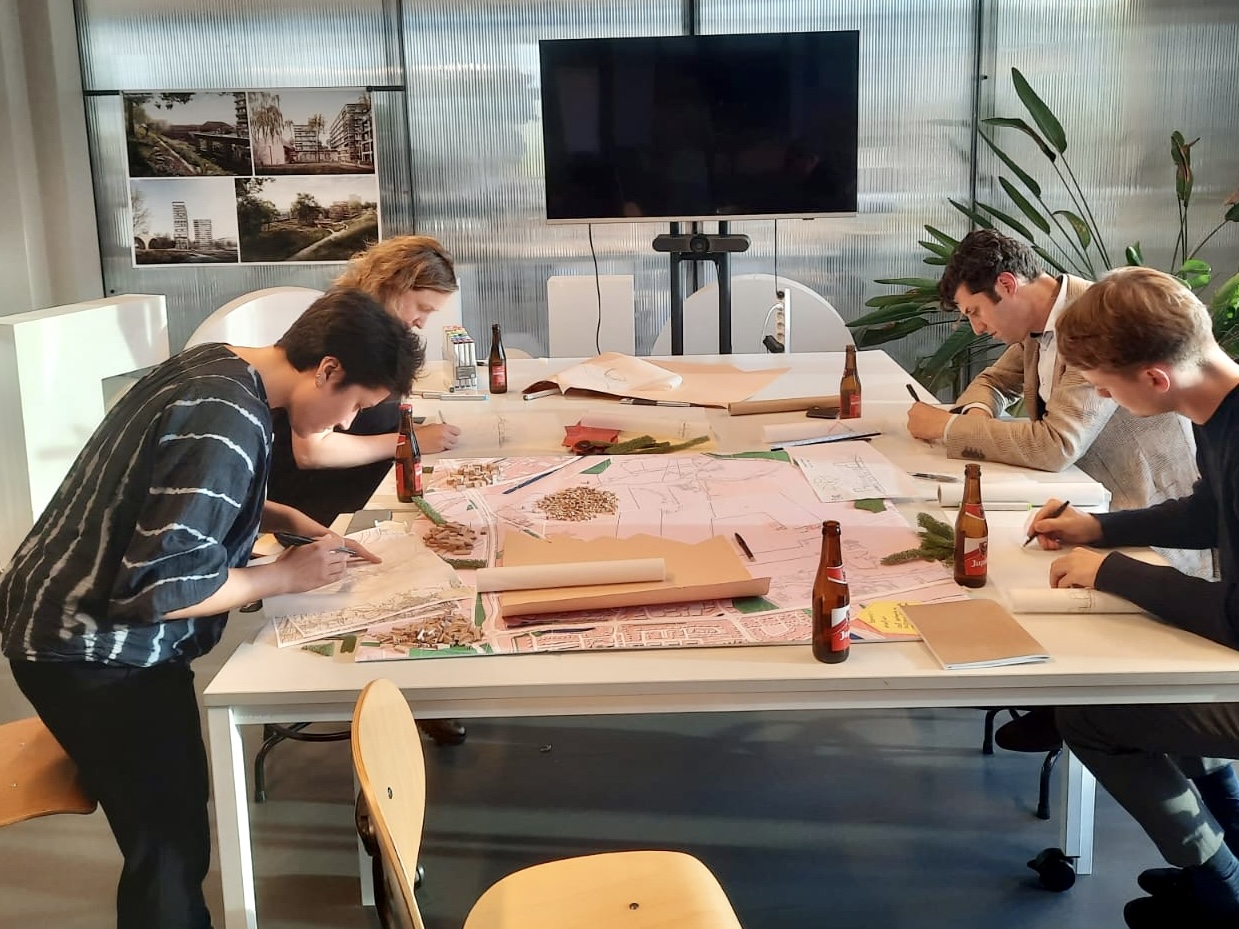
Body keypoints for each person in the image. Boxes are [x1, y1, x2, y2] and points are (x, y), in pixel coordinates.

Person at [0, 289, 421, 929]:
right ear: (328, 369)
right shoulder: (225, 416)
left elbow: (169, 491)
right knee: (170, 845)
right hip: (90, 648)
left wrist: (281, 516)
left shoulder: (219, 367)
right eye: (356, 405)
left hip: (63, 615)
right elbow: (165, 589)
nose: (345, 424)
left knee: (168, 825)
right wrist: (282, 575)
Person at [908, 230, 1210, 753]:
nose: (976, 327)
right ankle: (1055, 701)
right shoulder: (1036, 324)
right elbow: (992, 381)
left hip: (1149, 502)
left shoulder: (1094, 325)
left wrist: (949, 427)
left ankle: (1075, 706)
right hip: (1095, 498)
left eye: (976, 311)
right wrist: (974, 410)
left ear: (1008, 285)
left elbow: (1056, 445)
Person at [1026, 266, 1239, 928]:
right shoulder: (1217, 406)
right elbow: (1209, 511)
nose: (1097, 392)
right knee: (1148, 675)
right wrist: (1097, 528)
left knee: (1092, 714)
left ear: (1154, 378)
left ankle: (1221, 887)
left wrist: (1110, 570)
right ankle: (1228, 843)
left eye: (1103, 382)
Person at [265, 235, 469, 747]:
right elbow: (312, 450)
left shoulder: (378, 333)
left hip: (365, 484)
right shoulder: (344, 332)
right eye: (422, 308)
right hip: (317, 501)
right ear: (396, 284)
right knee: (428, 567)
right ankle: (410, 689)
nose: (422, 321)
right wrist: (405, 441)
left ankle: (424, 686)